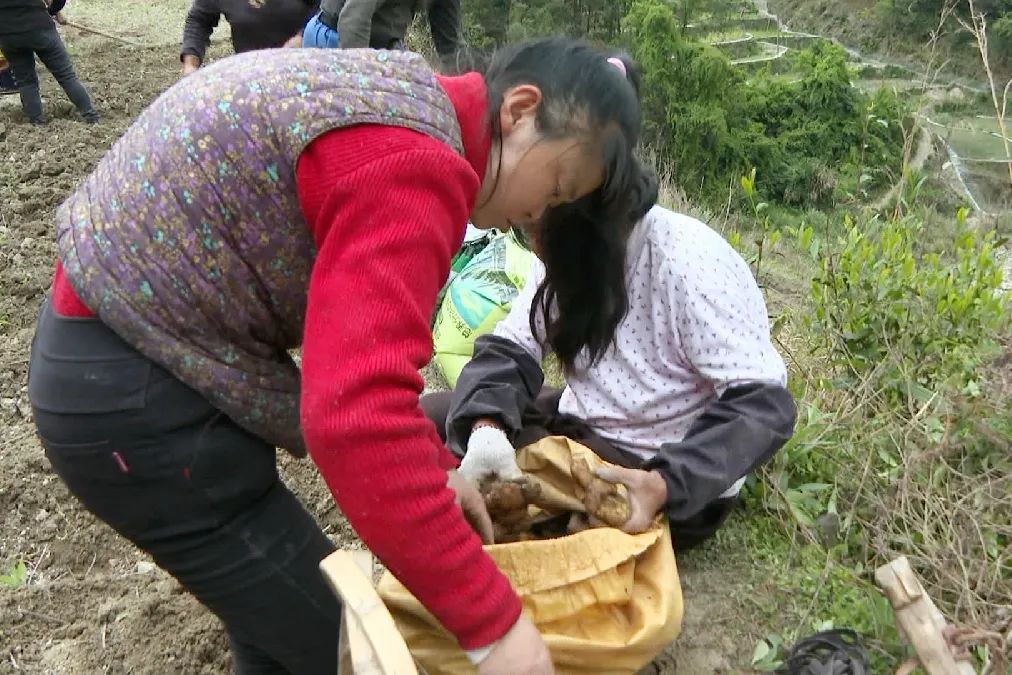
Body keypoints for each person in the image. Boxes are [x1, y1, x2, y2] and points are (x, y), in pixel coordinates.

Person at [29, 38, 645, 674]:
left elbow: (362, 369)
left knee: (272, 618)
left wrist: (436, 470)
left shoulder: (406, 97)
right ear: (520, 110)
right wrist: (498, 632)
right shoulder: (415, 163)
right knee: (342, 650)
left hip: (131, 352)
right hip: (133, 394)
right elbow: (357, 417)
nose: (540, 213)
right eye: (558, 184)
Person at [422, 202, 798, 549]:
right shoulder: (558, 244)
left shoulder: (687, 264)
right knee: (435, 415)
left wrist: (665, 483)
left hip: (653, 465)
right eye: (529, 231)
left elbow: (763, 404)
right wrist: (488, 431)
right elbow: (514, 345)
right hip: (583, 420)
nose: (536, 246)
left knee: (526, 493)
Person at [0, 0, 97, 124]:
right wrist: (53, 11)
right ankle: (91, 117)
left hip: (9, 35)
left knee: (26, 82)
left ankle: (37, 122)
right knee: (67, 76)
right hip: (39, 27)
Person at [302, 0, 463, 71]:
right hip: (335, 39)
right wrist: (362, 84)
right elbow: (352, 21)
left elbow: (450, 47)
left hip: (384, 47)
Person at [179, 0, 319, 76]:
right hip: (251, 74)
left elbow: (329, 10)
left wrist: (303, 36)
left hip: (305, 70)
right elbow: (199, 20)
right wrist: (190, 64)